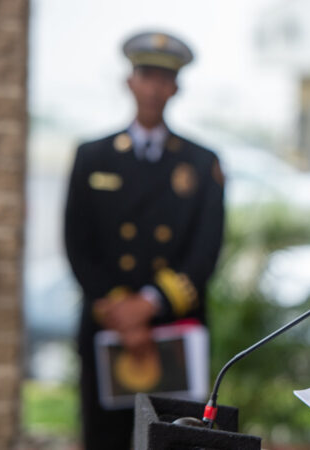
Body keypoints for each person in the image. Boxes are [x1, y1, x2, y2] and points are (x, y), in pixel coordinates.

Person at [64, 31, 224, 450]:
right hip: (107, 327)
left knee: (170, 440)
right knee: (104, 440)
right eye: (146, 75)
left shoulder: (201, 163)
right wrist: (120, 311)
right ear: (129, 82)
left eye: (163, 78)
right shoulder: (92, 157)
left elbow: (205, 253)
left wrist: (147, 306)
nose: (153, 87)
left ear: (175, 88)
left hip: (171, 329)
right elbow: (76, 243)